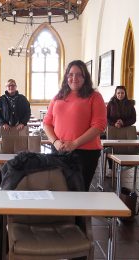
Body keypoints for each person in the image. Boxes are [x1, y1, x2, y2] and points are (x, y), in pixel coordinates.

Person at [43, 60, 107, 191]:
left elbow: (99, 125)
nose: (74, 78)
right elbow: (47, 123)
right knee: (58, 189)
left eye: (79, 75)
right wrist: (55, 142)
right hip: (59, 150)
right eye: (71, 74)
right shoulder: (58, 97)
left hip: (85, 153)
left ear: (85, 77)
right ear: (66, 77)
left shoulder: (94, 97)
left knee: (79, 192)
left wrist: (75, 143)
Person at [105, 85, 136, 176]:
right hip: (113, 129)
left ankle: (122, 166)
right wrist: (114, 123)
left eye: (122, 93)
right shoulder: (111, 104)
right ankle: (111, 168)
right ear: (115, 93)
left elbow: (133, 119)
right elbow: (106, 117)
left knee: (123, 148)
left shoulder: (130, 104)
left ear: (125, 94)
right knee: (110, 147)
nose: (120, 95)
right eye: (118, 93)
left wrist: (123, 123)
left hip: (125, 130)